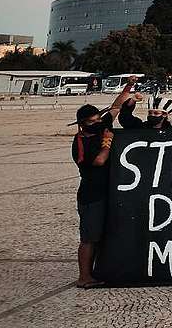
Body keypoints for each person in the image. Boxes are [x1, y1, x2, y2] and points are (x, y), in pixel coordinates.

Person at [70, 103, 117, 288]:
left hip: (106, 192)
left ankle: (95, 271)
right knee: (89, 238)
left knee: (100, 235)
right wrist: (107, 142)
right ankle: (84, 276)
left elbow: (116, 108)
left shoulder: (99, 128)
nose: (97, 123)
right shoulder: (80, 142)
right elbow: (99, 160)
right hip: (91, 195)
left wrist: (129, 86)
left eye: (98, 119)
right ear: (82, 124)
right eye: (92, 121)